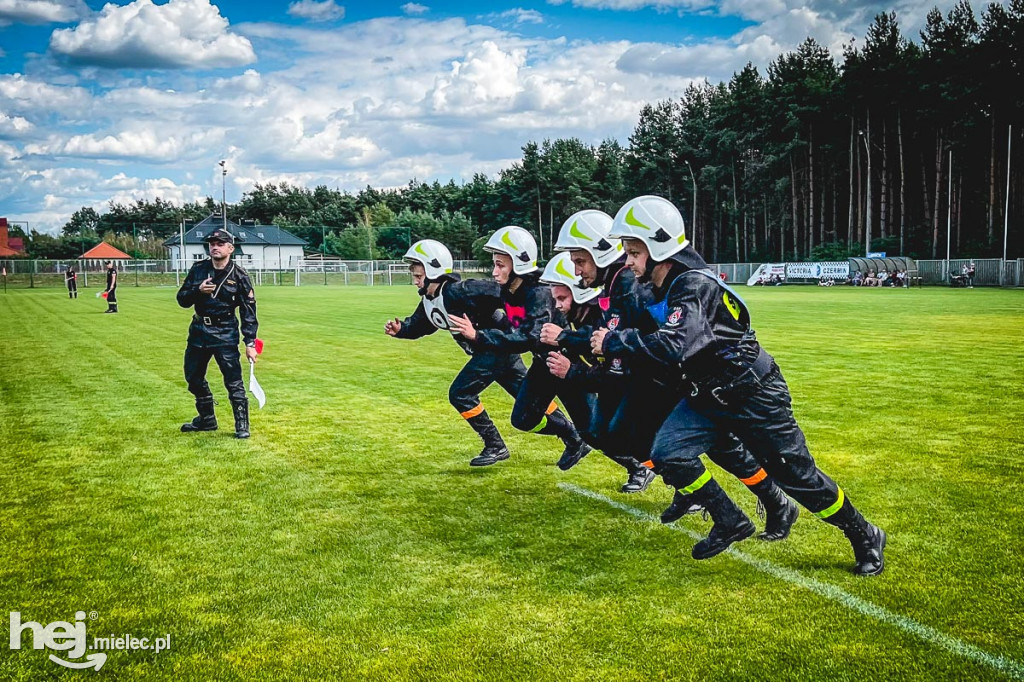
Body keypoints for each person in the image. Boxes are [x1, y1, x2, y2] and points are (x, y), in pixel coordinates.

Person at [595, 195, 886, 575]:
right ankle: (730, 519)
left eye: (634, 252)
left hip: (754, 393)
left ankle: (863, 533)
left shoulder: (693, 284)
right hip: (707, 396)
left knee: (798, 477)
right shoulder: (655, 287)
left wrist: (613, 342)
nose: (628, 261)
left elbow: (673, 346)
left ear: (658, 247)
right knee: (667, 452)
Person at [551, 209, 796, 536]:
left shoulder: (626, 282)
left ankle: (773, 502)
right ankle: (697, 493)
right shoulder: (619, 282)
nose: (575, 270)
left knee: (720, 448)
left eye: (579, 261)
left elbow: (644, 341)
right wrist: (574, 339)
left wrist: (582, 365)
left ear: (598, 253)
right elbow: (613, 337)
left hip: (673, 378)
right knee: (630, 438)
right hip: (656, 376)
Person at [450, 226, 591, 470]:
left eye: (500, 265)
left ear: (520, 263)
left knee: (597, 431)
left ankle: (638, 467)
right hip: (544, 364)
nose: (494, 272)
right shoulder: (508, 290)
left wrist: (478, 336)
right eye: (494, 264)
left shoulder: (538, 292)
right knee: (523, 419)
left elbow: (528, 337)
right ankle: (573, 437)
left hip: (568, 364)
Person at [386, 239, 528, 467]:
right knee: (529, 398)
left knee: (460, 393)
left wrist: (523, 313)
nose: (414, 281)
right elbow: (420, 325)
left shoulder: (461, 290)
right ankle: (573, 437)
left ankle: (495, 445)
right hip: (496, 352)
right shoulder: (431, 300)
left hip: (494, 349)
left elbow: (503, 292)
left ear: (433, 271)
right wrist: (402, 329)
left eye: (418, 276)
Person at [538, 251, 655, 493]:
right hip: (619, 382)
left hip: (641, 383)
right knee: (597, 433)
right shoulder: (588, 313)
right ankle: (659, 475)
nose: (557, 305)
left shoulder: (603, 312)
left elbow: (613, 370)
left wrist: (571, 369)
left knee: (647, 440)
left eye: (562, 297)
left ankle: (688, 489)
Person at [176, 229, 258, 439]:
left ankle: (242, 424)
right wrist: (197, 291)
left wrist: (250, 342)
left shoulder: (240, 276)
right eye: (212, 243)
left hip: (225, 332)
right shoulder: (198, 270)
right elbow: (182, 299)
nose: (214, 246)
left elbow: (248, 311)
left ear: (230, 248)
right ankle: (207, 420)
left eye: (220, 243)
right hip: (199, 331)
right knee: (193, 377)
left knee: (233, 380)